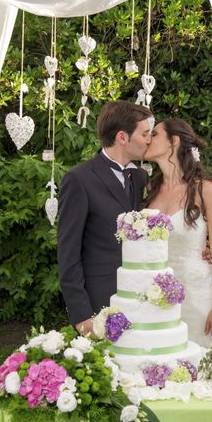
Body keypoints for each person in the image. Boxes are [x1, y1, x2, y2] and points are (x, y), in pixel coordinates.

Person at [58, 101, 153, 335]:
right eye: (145, 134)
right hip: (98, 302)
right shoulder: (79, 179)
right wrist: (81, 315)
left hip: (139, 298)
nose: (149, 140)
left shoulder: (140, 177)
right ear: (122, 137)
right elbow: (68, 253)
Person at [143, 118, 212, 348]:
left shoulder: (206, 190)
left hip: (197, 294)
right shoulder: (149, 189)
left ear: (174, 141)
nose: (148, 139)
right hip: (155, 294)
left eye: (155, 134)